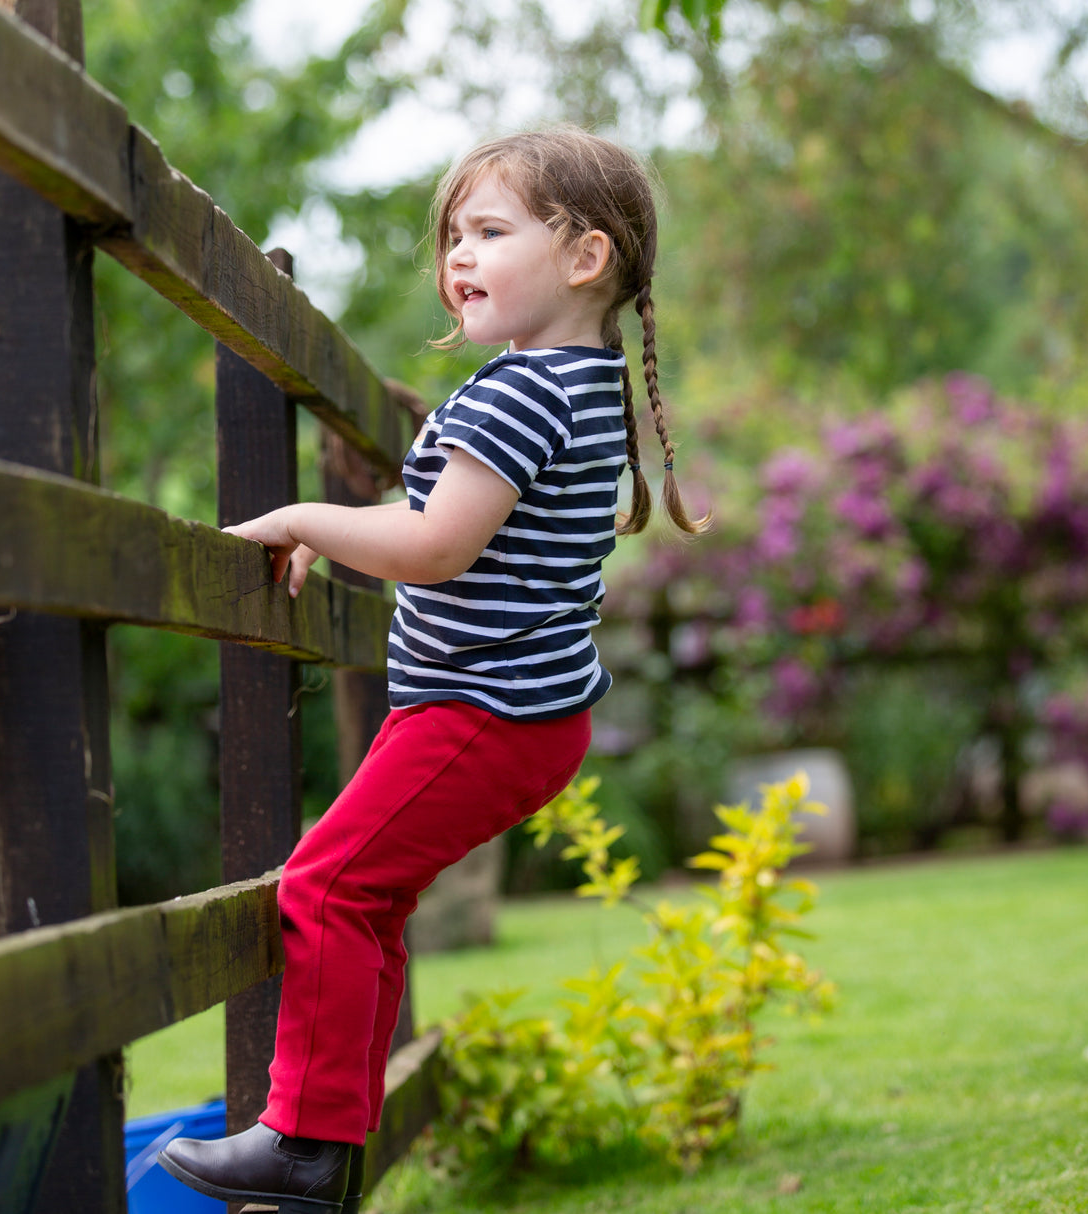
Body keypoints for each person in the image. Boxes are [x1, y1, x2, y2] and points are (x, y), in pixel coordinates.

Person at [159, 125, 707, 1213]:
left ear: (583, 257)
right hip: (518, 714)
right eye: (452, 233)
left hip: (478, 710)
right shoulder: (573, 384)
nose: (457, 253)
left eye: (489, 230)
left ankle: (304, 1142)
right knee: (369, 895)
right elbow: (442, 519)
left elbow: (435, 544)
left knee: (325, 883)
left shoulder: (516, 395)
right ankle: (326, 1140)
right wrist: (347, 528)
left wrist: (305, 511)